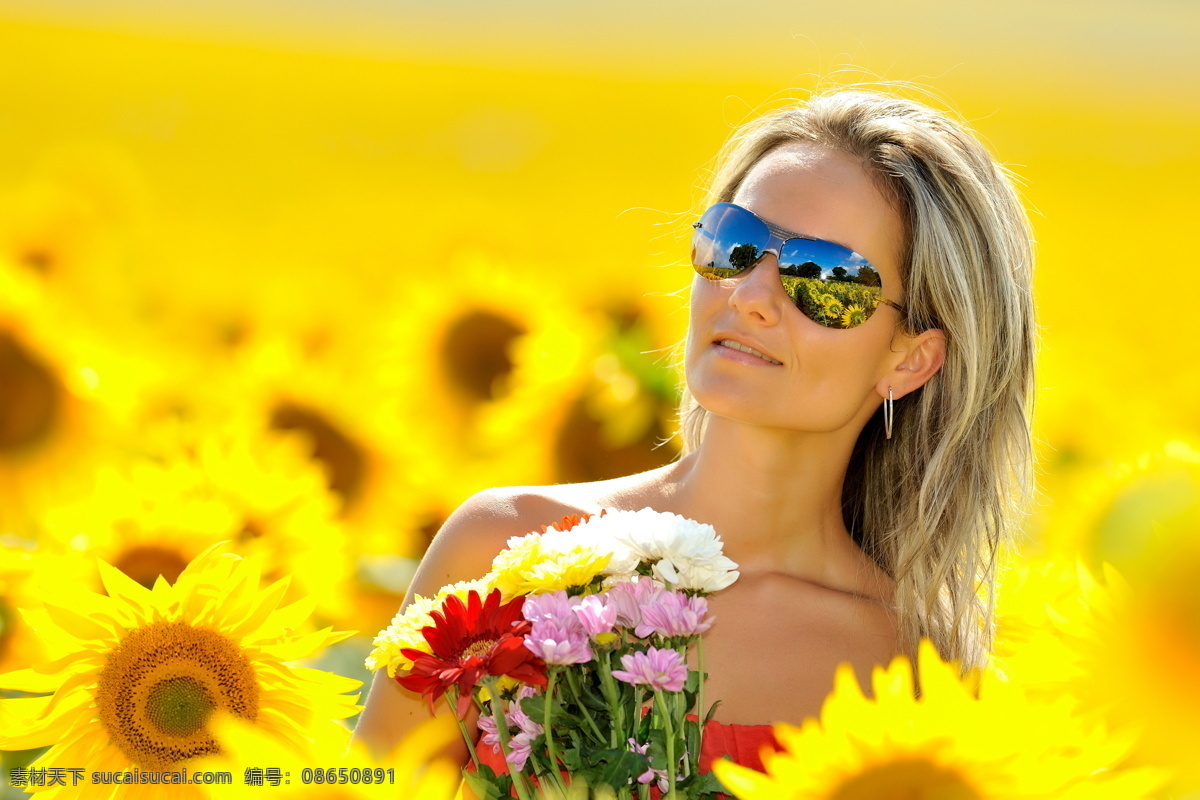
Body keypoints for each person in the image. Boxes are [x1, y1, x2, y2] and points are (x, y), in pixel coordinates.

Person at [353, 87, 1035, 777]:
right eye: (735, 244)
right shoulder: (502, 551)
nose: (750, 296)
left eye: (825, 277)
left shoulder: (913, 671)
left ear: (909, 359)